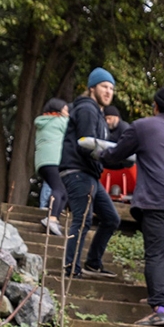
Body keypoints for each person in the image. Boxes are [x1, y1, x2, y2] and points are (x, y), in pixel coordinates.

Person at [99, 87, 164, 327]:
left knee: (153, 251)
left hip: (158, 198)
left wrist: (98, 154)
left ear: (155, 106)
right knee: (158, 243)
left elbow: (116, 155)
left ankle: (159, 310)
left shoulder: (142, 126)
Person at [59, 67, 121, 278]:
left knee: (111, 218)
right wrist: (107, 157)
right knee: (82, 219)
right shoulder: (86, 108)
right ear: (92, 87)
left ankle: (93, 262)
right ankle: (71, 269)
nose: (108, 91)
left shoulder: (99, 114)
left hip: (90, 174)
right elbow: (86, 144)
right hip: (78, 171)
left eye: (111, 88)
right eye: (104, 86)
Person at [34, 98, 69, 236]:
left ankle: (53, 216)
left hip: (41, 163)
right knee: (59, 190)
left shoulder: (43, 122)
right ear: (59, 111)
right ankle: (52, 219)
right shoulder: (60, 121)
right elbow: (75, 130)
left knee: (63, 193)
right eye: (66, 110)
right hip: (53, 160)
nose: (68, 114)